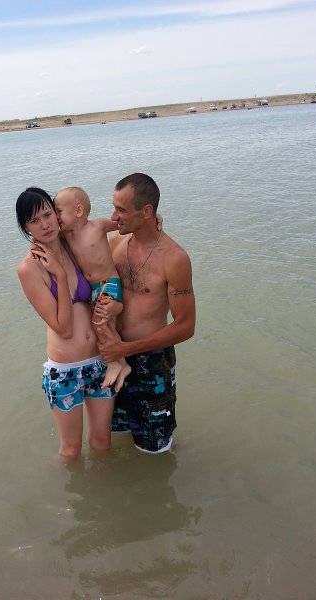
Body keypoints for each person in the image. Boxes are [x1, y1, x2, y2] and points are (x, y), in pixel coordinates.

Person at [94, 173, 196, 454]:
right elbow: (75, 236)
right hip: (114, 359)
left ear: (147, 211)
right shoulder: (115, 244)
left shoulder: (173, 258)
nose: (113, 217)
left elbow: (185, 326)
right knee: (117, 437)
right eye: (113, 207)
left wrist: (127, 348)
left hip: (151, 362)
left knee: (155, 448)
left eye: (121, 210)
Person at [16, 187, 116, 458]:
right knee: (71, 450)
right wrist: (59, 275)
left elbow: (103, 234)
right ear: (26, 228)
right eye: (34, 221)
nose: (45, 224)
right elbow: (63, 327)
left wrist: (149, 224)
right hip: (66, 371)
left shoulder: (72, 243)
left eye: (48, 214)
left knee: (102, 443)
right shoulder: (29, 269)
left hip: (99, 362)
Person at [53, 186, 131, 392]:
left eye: (59, 212)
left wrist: (154, 218)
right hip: (93, 290)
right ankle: (122, 363)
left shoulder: (98, 226)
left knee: (101, 323)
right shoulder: (65, 235)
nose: (56, 217)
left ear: (78, 211)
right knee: (105, 327)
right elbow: (46, 237)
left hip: (108, 282)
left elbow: (125, 222)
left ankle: (116, 362)